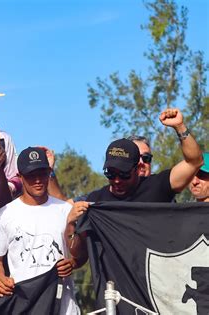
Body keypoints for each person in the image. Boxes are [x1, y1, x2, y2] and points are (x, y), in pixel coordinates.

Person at [67, 108, 204, 264]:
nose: (117, 180)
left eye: (124, 174)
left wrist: (180, 127)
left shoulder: (157, 186)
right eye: (111, 174)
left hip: (157, 283)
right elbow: (80, 256)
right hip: (113, 287)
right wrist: (71, 224)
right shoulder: (95, 201)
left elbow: (194, 161)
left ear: (136, 169)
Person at [0, 147, 80, 315]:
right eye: (31, 175)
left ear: (49, 172)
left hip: (64, 308)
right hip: (24, 306)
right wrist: (0, 279)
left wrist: (73, 263)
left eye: (42, 173)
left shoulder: (65, 210)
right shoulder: (4, 214)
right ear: (20, 177)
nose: (38, 180)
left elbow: (81, 254)